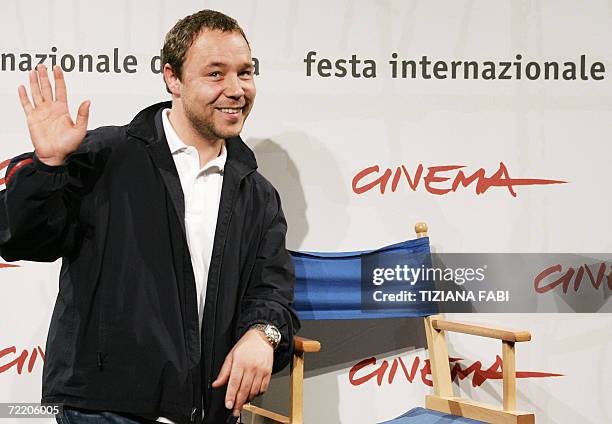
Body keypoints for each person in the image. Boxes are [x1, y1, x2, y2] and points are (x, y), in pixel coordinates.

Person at [0, 9, 299, 424]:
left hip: (209, 411)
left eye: (245, 73)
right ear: (172, 78)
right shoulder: (105, 154)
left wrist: (263, 335)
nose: (236, 89)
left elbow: (272, 292)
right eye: (215, 74)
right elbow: (23, 239)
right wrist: (48, 167)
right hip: (104, 409)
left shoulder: (258, 194)